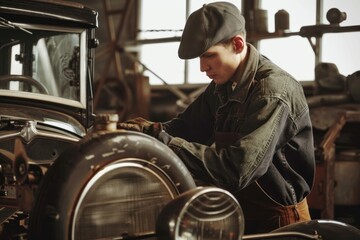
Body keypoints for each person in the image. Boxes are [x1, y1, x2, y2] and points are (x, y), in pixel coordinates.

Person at [119, 1, 315, 234]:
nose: (203, 68)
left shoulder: (272, 92)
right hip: (240, 212)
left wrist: (164, 142)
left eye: (209, 56)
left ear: (237, 44)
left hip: (280, 221)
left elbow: (237, 170)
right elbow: (186, 127)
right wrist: (148, 131)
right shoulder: (221, 86)